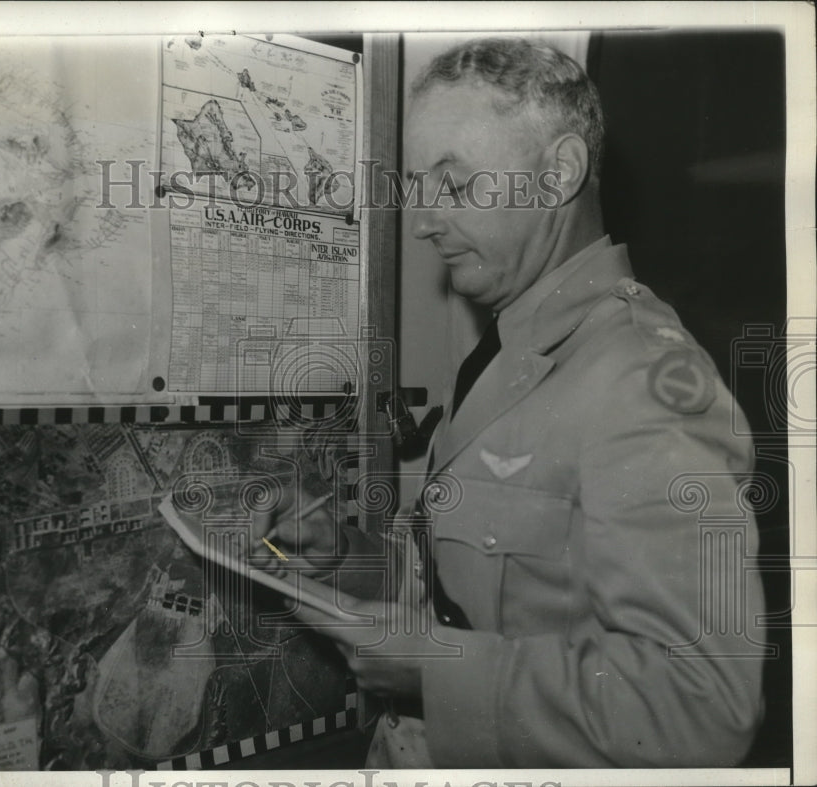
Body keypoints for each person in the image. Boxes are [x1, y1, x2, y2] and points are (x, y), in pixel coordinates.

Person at [252, 37, 765, 768]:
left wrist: (433, 670)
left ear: (557, 174)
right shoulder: (505, 348)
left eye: (453, 185)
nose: (424, 221)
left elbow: (702, 707)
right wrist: (351, 557)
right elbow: (472, 590)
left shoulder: (644, 381)